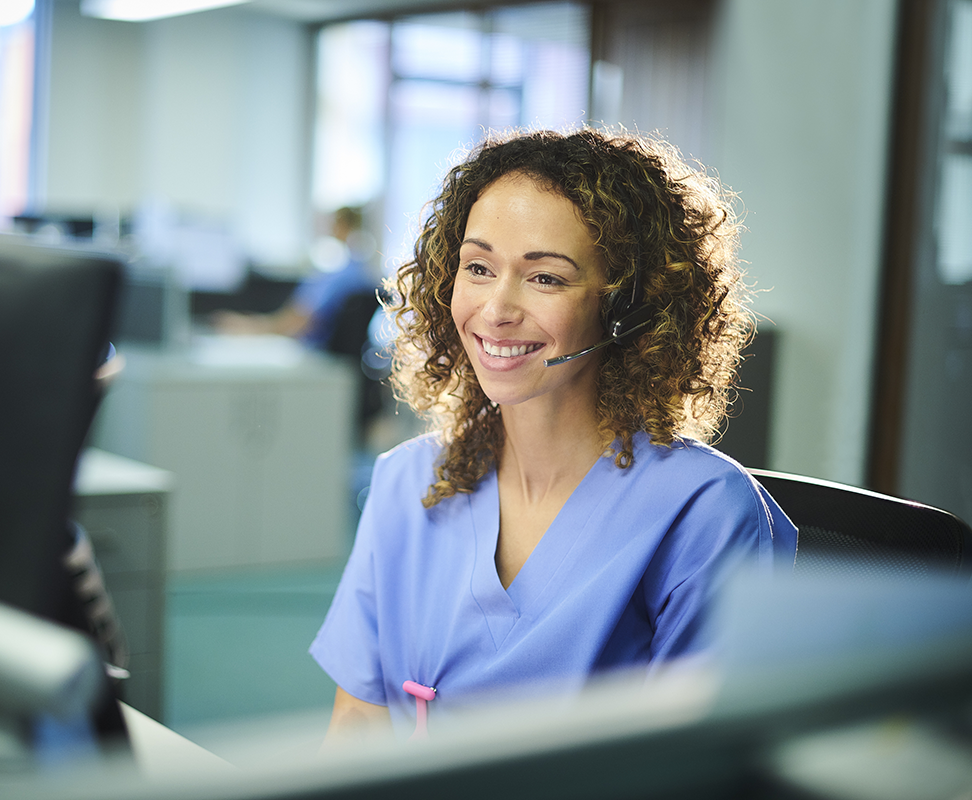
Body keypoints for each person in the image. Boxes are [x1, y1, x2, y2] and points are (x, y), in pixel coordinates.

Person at [308, 128, 798, 744]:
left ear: (628, 307)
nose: (496, 309)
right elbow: (356, 724)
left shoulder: (703, 512)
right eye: (478, 268)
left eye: (545, 278)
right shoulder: (407, 481)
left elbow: (702, 771)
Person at [213, 206, 379, 350]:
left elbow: (300, 321)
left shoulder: (337, 277)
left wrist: (252, 328)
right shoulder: (363, 274)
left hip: (316, 358)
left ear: (342, 225)